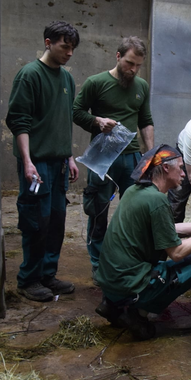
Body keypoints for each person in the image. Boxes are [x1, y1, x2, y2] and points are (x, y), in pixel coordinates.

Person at [95, 145, 191, 340]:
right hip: (128, 285)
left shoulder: (134, 191)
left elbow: (168, 229)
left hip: (109, 282)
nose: (184, 174)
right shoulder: (157, 200)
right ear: (166, 169)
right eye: (180, 167)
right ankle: (138, 315)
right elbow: (176, 253)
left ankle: (112, 304)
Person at [5, 21, 80, 302]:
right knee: (36, 221)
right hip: (37, 163)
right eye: (65, 46)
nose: (69, 53)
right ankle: (29, 279)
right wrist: (27, 162)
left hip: (59, 164)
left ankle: (48, 274)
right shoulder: (30, 75)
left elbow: (62, 123)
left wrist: (69, 156)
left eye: (72, 49)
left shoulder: (67, 79)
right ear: (48, 42)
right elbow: (18, 121)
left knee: (57, 222)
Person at [73, 36, 154, 283]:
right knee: (98, 211)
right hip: (103, 159)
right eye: (130, 63)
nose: (133, 69)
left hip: (132, 158)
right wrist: (97, 121)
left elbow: (145, 120)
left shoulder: (141, 86)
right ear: (118, 56)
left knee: (134, 211)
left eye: (138, 65)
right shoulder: (96, 83)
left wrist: (150, 156)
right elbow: (75, 112)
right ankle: (98, 264)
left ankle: (128, 261)